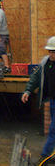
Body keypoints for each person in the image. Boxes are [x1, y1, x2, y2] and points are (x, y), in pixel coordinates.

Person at [21, 36, 55, 164]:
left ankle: (45, 156)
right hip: (52, 101)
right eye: (50, 51)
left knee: (53, 129)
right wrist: (28, 91)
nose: (51, 54)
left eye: (54, 52)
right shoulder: (46, 63)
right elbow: (35, 77)